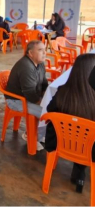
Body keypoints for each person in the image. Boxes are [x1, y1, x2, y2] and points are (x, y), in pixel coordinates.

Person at [44, 54, 95, 192]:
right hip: (89, 150)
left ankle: (79, 172)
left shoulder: (63, 91)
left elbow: (50, 110)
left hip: (62, 143)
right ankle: (79, 173)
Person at [6, 40, 48, 150]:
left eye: (45, 49)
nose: (44, 53)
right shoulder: (26, 67)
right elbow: (30, 95)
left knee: (51, 109)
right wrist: (44, 103)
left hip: (28, 97)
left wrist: (46, 98)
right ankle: (31, 136)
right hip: (16, 101)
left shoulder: (40, 63)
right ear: (30, 53)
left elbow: (44, 83)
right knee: (47, 114)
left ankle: (39, 133)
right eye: (40, 50)